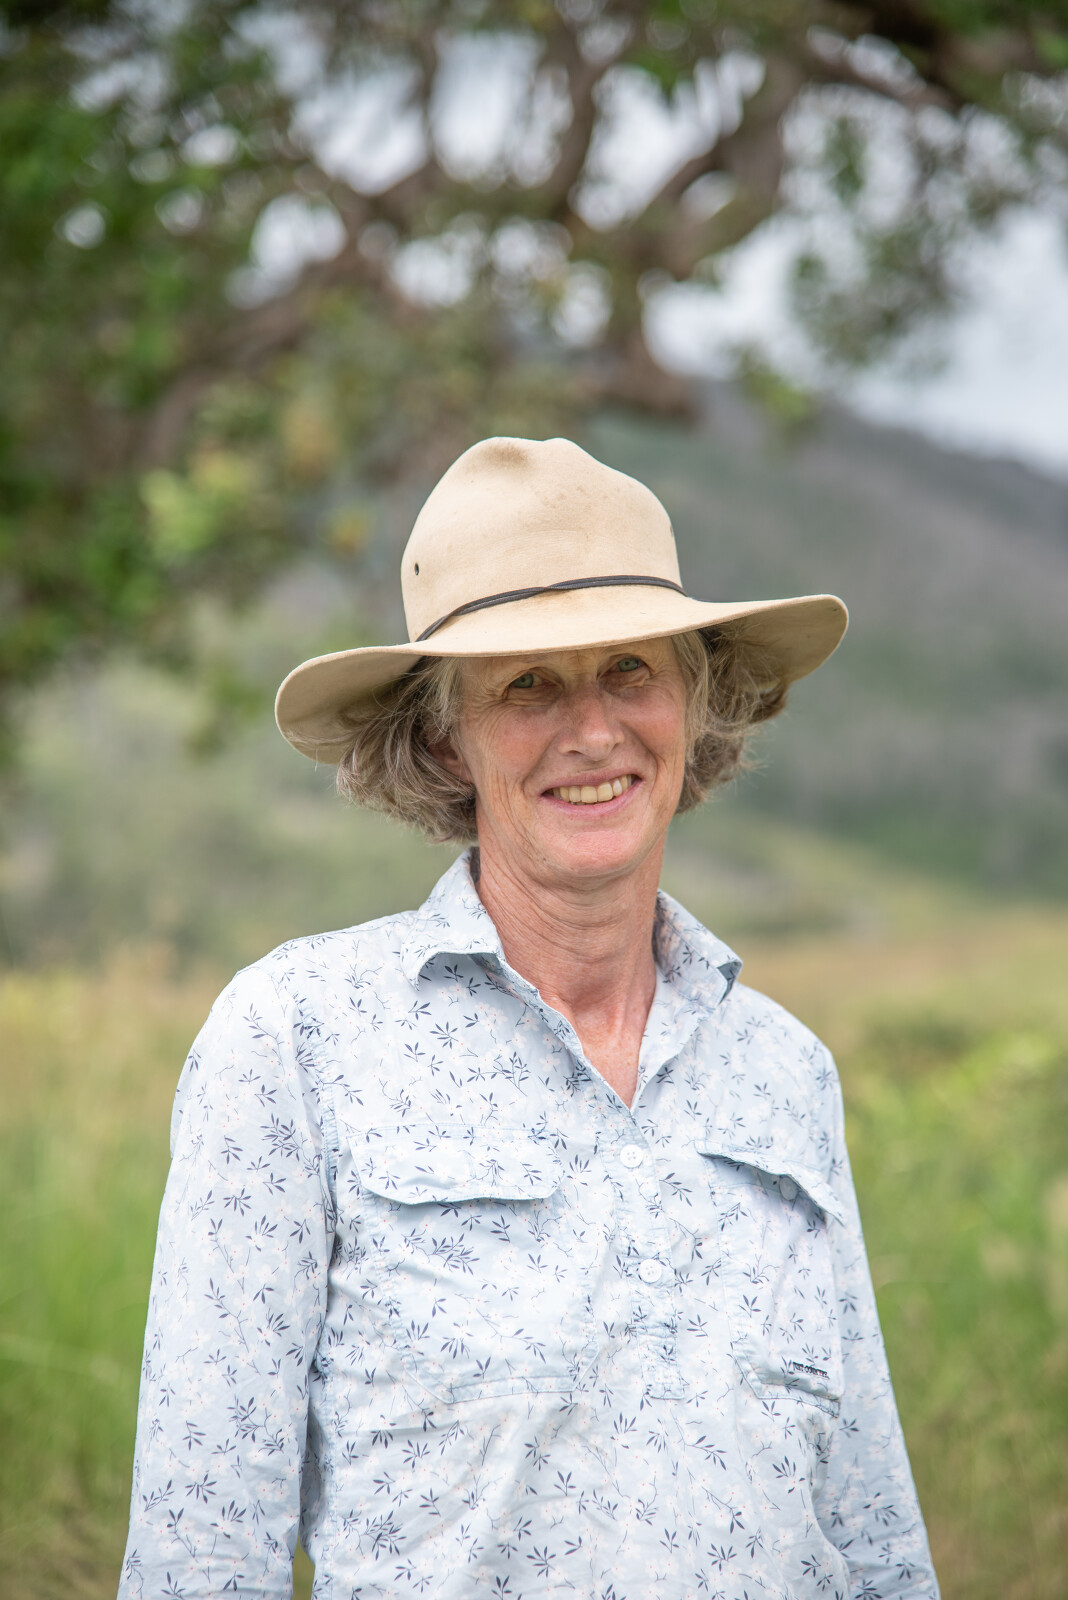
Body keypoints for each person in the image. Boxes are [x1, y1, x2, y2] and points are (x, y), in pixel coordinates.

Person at [119, 437, 939, 1599]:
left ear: (692, 703)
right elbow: (201, 1550)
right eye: (527, 685)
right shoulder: (297, 1039)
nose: (594, 730)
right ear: (443, 735)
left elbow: (873, 1537)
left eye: (630, 670)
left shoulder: (784, 1070)